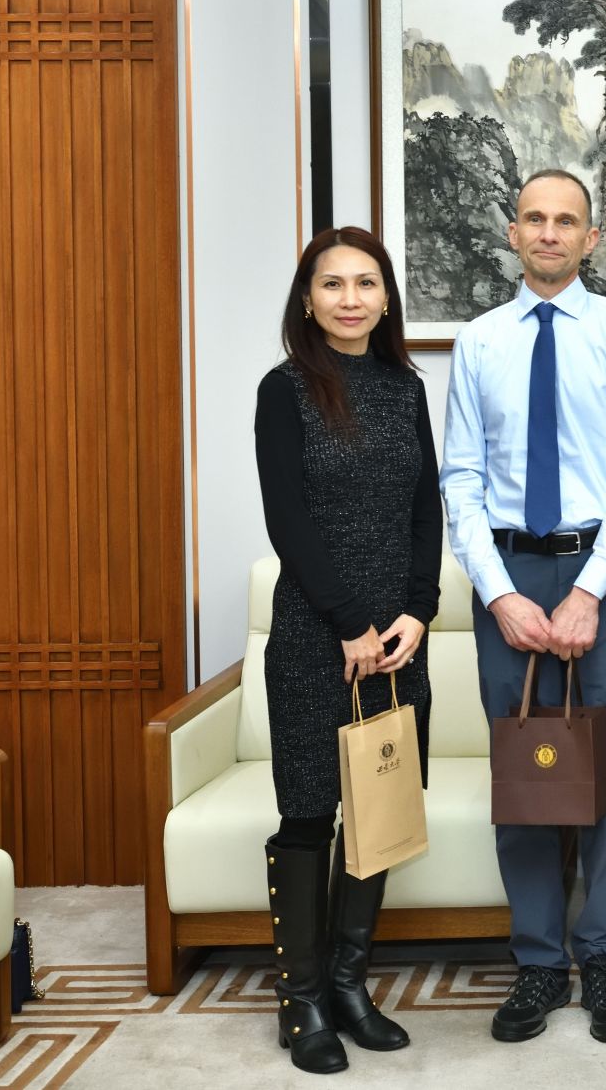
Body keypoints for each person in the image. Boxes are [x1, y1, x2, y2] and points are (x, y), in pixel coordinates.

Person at [441, 169, 606, 1045]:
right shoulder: (479, 342)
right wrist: (498, 592)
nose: (548, 232)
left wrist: (587, 590)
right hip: (508, 576)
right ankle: (538, 960)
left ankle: (603, 955)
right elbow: (461, 478)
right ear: (513, 232)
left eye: (565, 220)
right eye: (534, 218)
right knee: (524, 772)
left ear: (591, 238)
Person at [254, 226, 440, 1073]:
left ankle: (349, 984)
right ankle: (301, 1000)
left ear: (386, 296)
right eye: (333, 284)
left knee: (380, 805)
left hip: (397, 642)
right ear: (308, 298)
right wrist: (348, 622)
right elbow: (287, 518)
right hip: (313, 637)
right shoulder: (285, 389)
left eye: (367, 282)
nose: (351, 298)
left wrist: (418, 612)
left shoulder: (405, 388)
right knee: (309, 811)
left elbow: (426, 509)